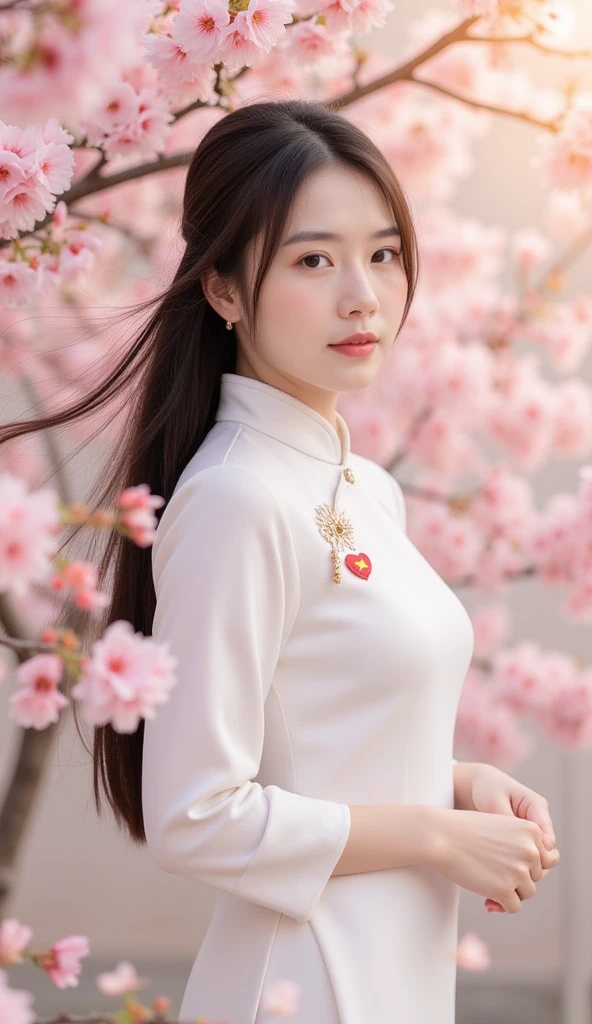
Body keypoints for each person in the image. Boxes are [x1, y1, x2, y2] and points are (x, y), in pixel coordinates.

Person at [0, 98, 557, 1024]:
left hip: (396, 970)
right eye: (313, 259)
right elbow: (197, 813)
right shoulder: (235, 498)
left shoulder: (364, 486)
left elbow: (326, 734)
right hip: (309, 978)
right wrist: (434, 835)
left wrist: (462, 787)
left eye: (382, 254)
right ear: (222, 288)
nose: (362, 296)